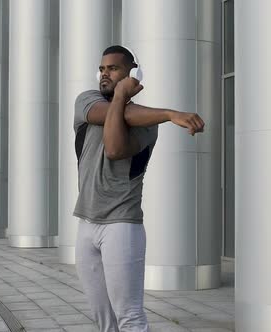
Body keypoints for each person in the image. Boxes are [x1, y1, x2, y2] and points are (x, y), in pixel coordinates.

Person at [73, 45, 205, 332]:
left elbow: (115, 149)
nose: (104, 73)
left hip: (121, 224)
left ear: (133, 73)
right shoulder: (86, 101)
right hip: (85, 222)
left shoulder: (148, 125)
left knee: (129, 316)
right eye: (102, 68)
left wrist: (126, 98)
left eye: (114, 68)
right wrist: (170, 113)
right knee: (102, 318)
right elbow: (108, 114)